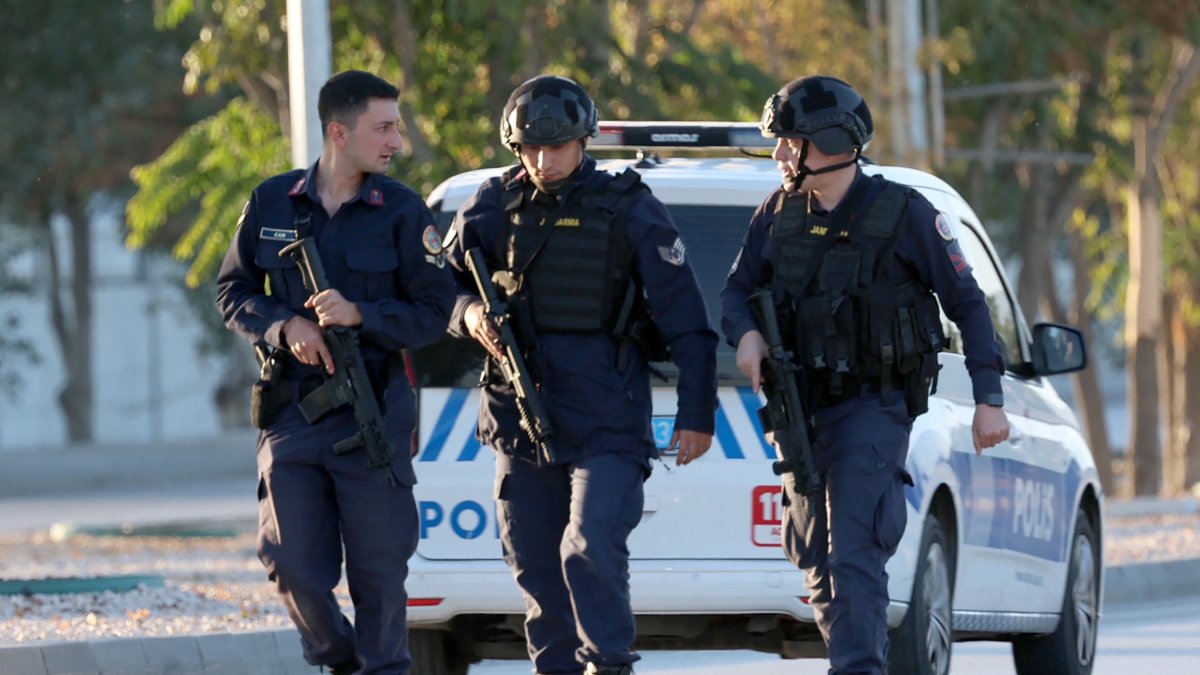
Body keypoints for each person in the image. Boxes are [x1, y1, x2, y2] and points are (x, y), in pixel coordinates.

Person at [720, 75, 1011, 674]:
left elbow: (968, 304)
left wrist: (989, 396)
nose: (778, 156)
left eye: (788, 142)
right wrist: (747, 336)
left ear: (826, 142)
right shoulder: (777, 213)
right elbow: (736, 291)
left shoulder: (906, 214)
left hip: (872, 409)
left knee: (854, 549)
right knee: (817, 560)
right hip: (799, 408)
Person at [443, 74, 719, 675]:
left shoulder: (628, 207)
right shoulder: (492, 205)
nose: (544, 161)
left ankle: (608, 664)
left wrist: (698, 414)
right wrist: (469, 316)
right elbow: (439, 285)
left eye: (558, 147)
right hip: (520, 418)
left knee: (588, 545)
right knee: (537, 568)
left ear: (584, 139)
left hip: (607, 418)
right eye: (531, 149)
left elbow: (688, 322)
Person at [215, 70, 454, 675]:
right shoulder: (272, 201)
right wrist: (282, 326)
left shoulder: (402, 211)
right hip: (293, 412)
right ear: (338, 132)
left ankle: (383, 669)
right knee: (289, 561)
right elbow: (233, 290)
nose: (396, 141)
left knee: (378, 571)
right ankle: (338, 659)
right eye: (384, 127)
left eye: (395, 126)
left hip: (372, 411)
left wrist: (361, 314)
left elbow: (434, 312)